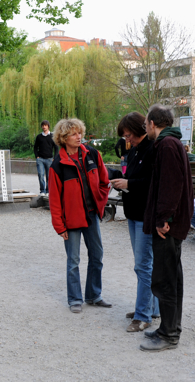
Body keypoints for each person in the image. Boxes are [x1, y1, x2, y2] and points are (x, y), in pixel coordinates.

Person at [141, 104, 194, 352]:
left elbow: (171, 186)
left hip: (168, 226)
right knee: (171, 276)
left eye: (145, 125)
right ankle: (169, 328)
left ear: (153, 123)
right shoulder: (171, 143)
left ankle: (169, 334)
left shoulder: (167, 145)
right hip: (172, 223)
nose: (145, 129)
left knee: (166, 279)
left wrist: (163, 219)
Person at [48, 118, 111, 313]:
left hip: (91, 216)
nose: (79, 136)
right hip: (72, 220)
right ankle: (75, 299)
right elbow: (54, 199)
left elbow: (104, 181)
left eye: (80, 132)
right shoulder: (58, 164)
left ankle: (93, 295)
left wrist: (100, 201)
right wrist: (59, 226)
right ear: (63, 138)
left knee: (97, 256)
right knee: (73, 261)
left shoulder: (92, 154)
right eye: (74, 134)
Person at [109, 112, 159, 332]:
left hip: (145, 215)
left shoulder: (152, 149)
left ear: (140, 129)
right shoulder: (135, 150)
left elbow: (152, 182)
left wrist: (128, 183)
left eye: (128, 135)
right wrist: (122, 181)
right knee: (144, 265)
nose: (126, 139)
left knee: (143, 265)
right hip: (133, 213)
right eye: (125, 136)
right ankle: (150, 307)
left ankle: (142, 315)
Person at [34, 120, 58, 196]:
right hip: (40, 159)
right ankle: (42, 191)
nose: (44, 127)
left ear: (48, 126)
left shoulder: (52, 136)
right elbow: (35, 147)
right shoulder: (39, 137)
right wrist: (37, 156)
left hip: (49, 159)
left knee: (49, 176)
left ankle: (48, 191)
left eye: (45, 125)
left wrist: (54, 158)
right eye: (43, 125)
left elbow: (56, 148)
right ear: (42, 126)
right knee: (40, 175)